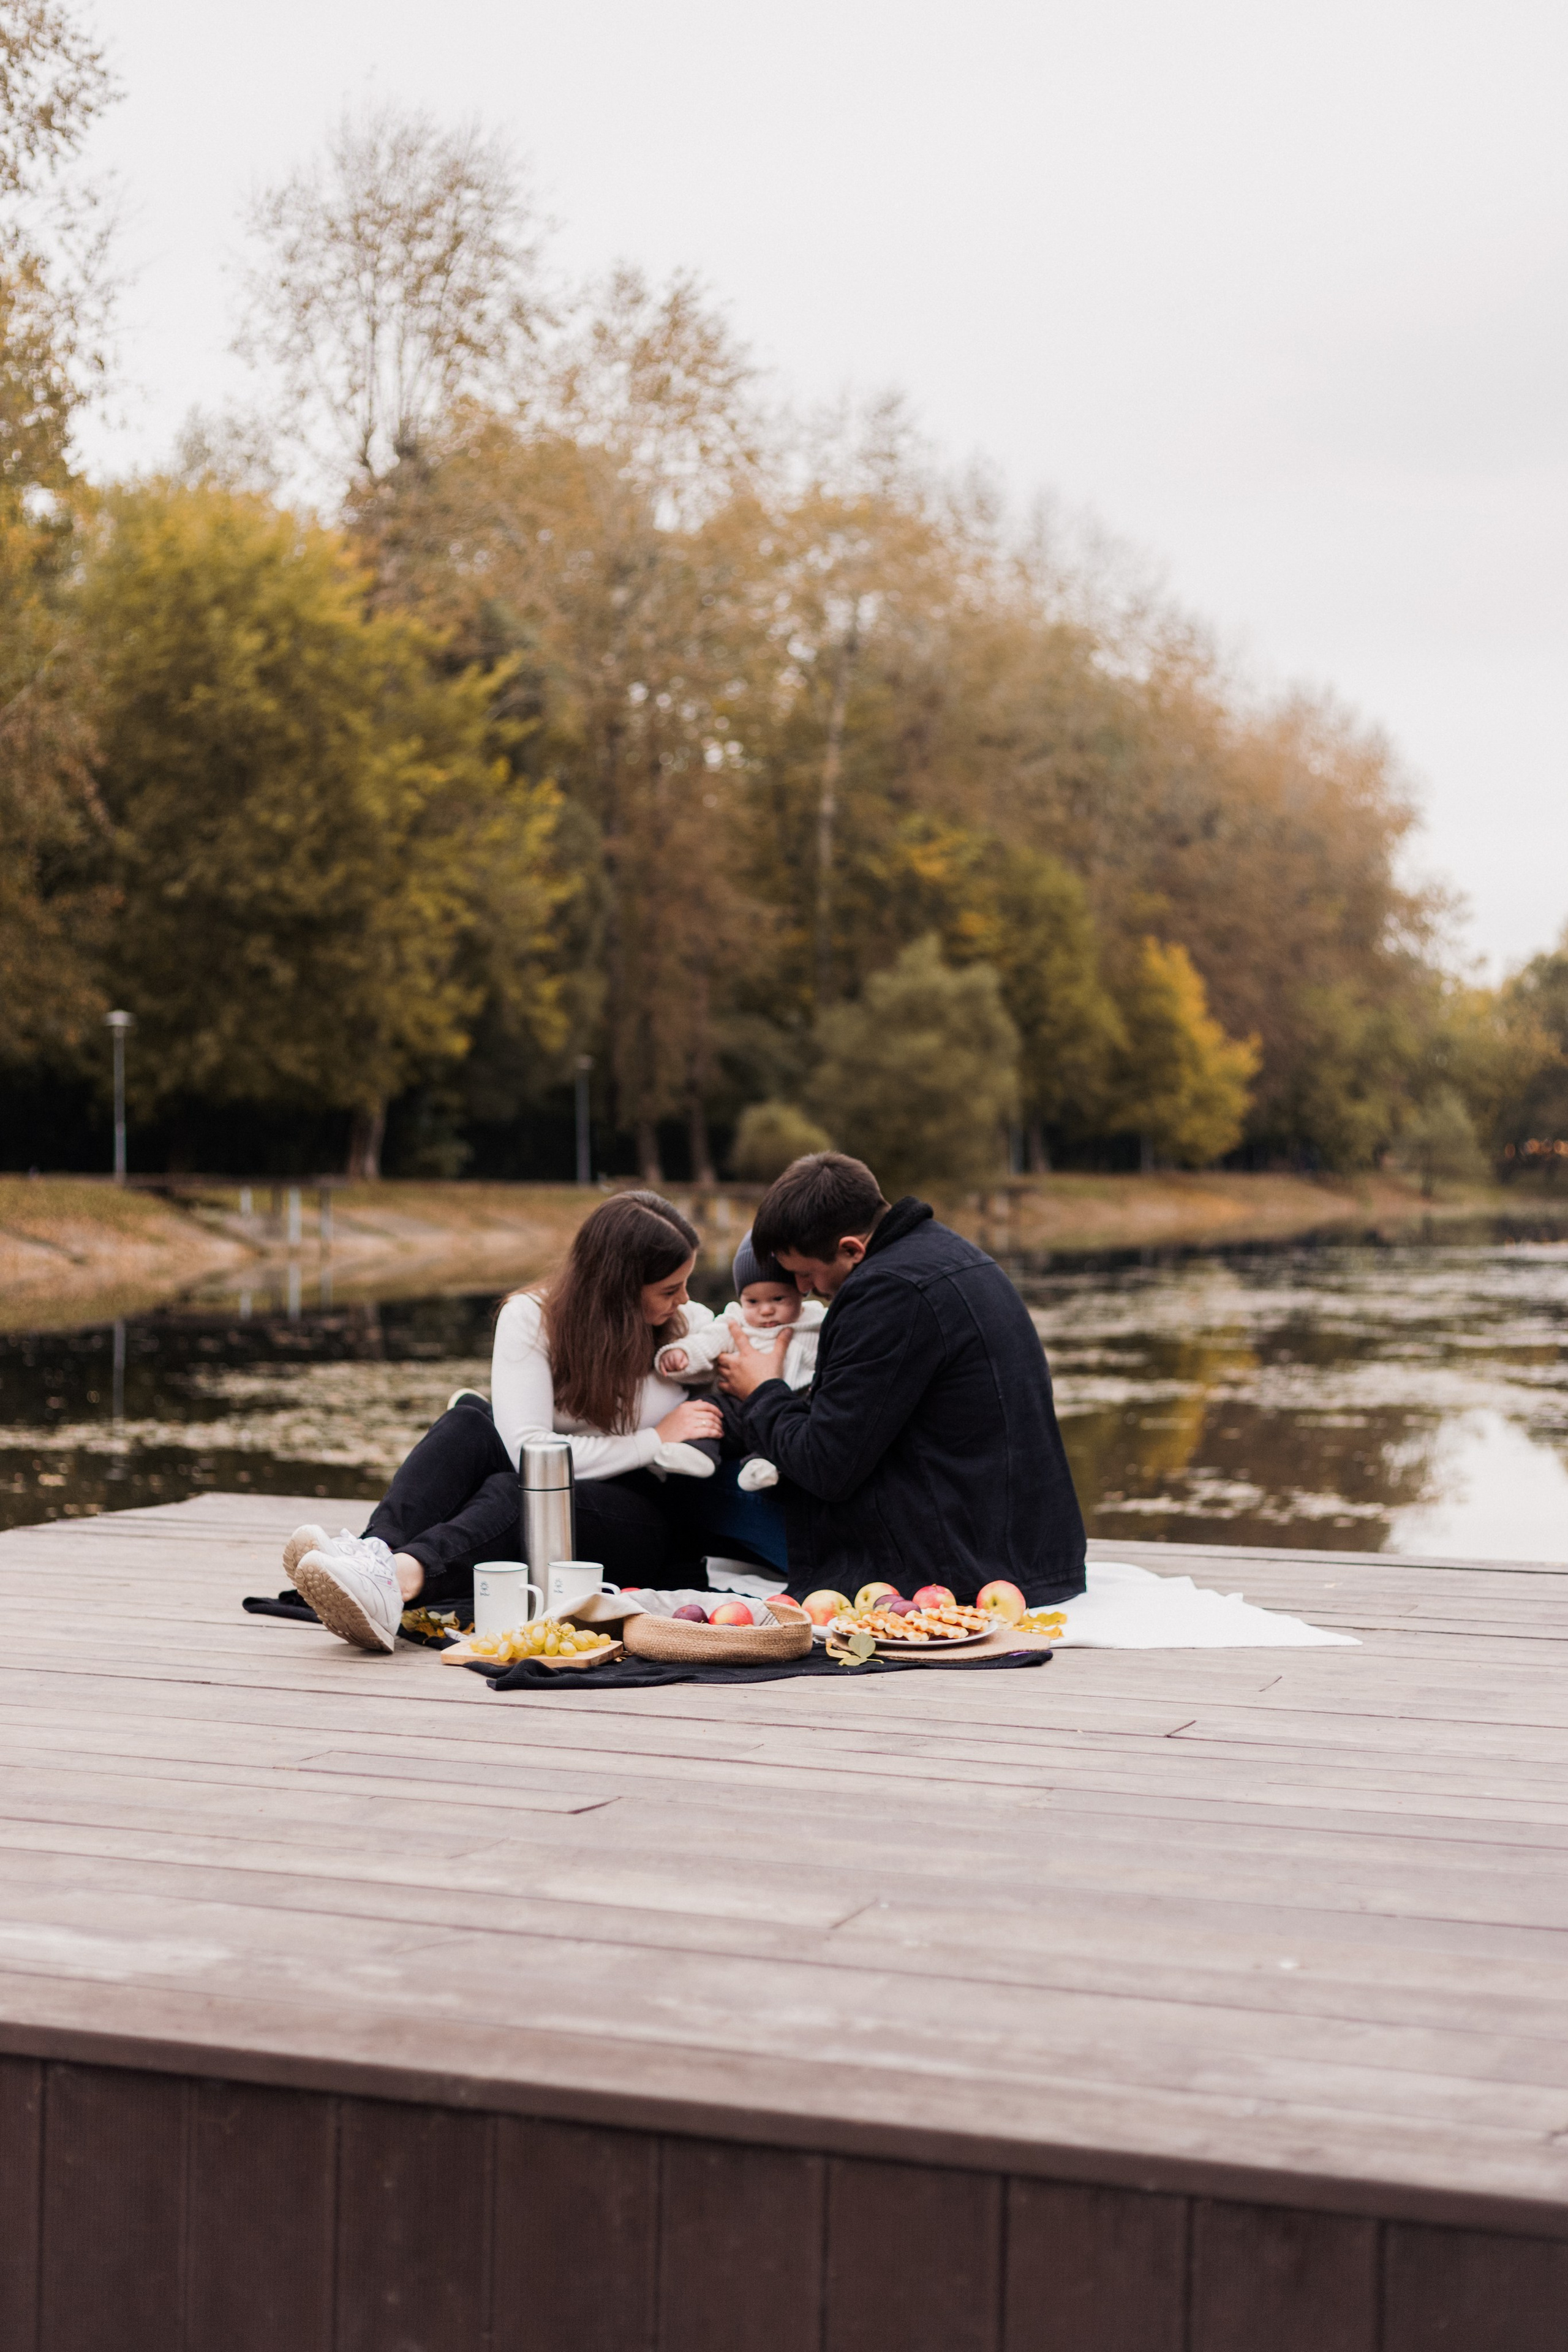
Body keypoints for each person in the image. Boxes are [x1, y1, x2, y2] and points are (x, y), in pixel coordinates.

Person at [284, 1191, 789, 1653]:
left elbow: (774, 1338)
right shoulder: (533, 1317)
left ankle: (397, 1576)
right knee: (468, 1423)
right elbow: (526, 1447)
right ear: (617, 1290)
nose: (683, 1299)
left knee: (518, 1489)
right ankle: (372, 1555)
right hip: (550, 1487)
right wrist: (654, 1437)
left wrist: (742, 1389)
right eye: (669, 1289)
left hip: (641, 1517)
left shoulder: (692, 1329)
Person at [716, 1152, 1087, 1608]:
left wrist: (762, 1391)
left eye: (805, 1273)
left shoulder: (885, 1293)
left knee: (706, 1487)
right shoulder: (950, 1252)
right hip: (1028, 1547)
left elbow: (825, 1466)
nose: (805, 1290)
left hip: (957, 1558)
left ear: (852, 1249)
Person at [654, 1229, 825, 1490]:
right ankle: (697, 1452)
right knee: (706, 1407)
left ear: (801, 1293)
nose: (766, 1310)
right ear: (741, 1299)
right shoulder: (736, 1322)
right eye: (753, 1301)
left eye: (779, 1299)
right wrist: (683, 1355)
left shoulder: (815, 1324)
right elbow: (708, 1343)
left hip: (787, 1410)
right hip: (737, 1409)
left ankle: (763, 1466)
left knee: (799, 1425)